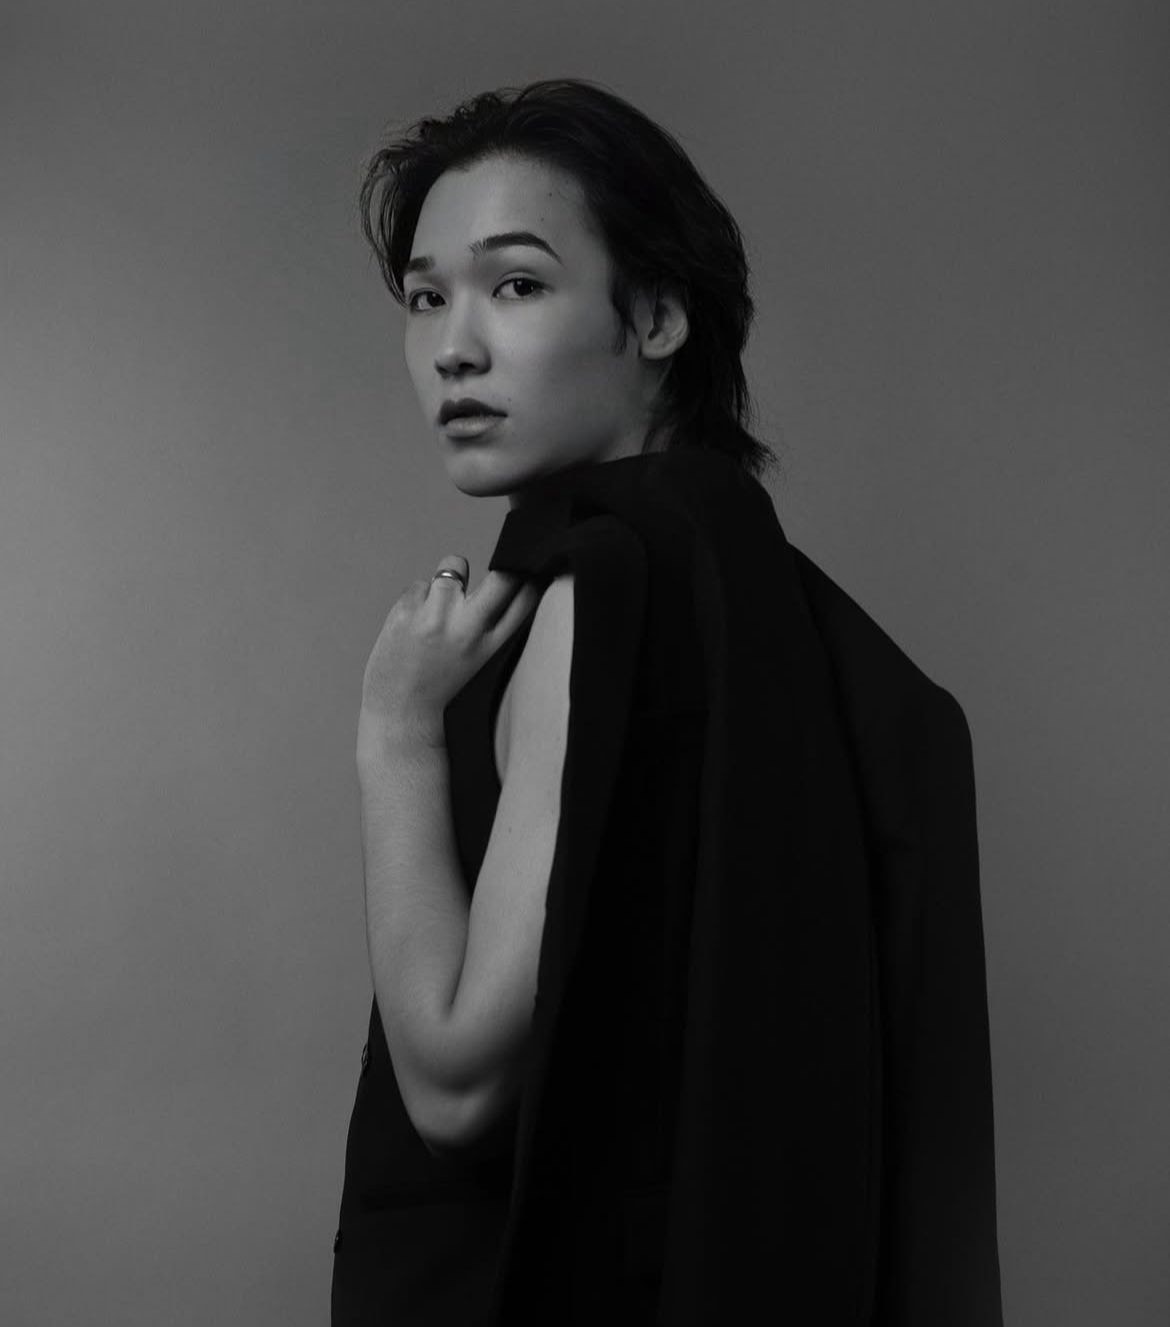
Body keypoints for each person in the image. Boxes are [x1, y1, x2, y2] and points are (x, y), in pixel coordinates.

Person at [331, 78, 1003, 1326]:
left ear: (657, 316)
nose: (453, 348)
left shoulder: (602, 589)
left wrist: (396, 730)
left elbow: (459, 1088)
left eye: (515, 284)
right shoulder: (789, 616)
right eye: (425, 298)